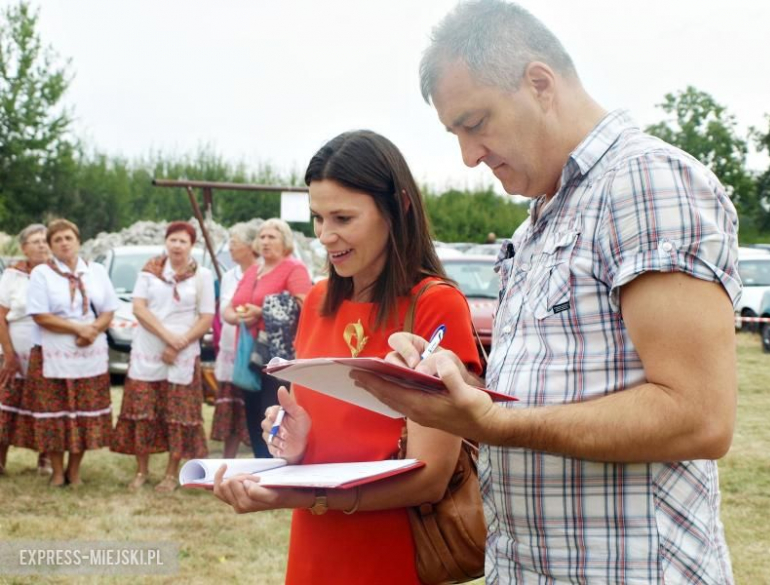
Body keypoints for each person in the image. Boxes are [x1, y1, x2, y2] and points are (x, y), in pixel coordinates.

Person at [353, 2, 741, 583]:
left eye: (475, 122)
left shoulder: (645, 180)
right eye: (456, 132)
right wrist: (453, 387)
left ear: (539, 83)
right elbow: (552, 388)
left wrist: (491, 423)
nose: (468, 156)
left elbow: (698, 417)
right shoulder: (539, 221)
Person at [212, 130, 482, 584]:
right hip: (314, 548)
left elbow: (430, 478)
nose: (324, 235)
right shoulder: (317, 301)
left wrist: (304, 497)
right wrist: (293, 445)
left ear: (398, 210)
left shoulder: (436, 305)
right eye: (317, 218)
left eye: (342, 218)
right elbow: (319, 435)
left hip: (392, 553)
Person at [111, 221, 215, 492]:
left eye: (183, 241)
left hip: (184, 350)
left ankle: (171, 473)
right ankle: (141, 470)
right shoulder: (150, 271)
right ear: (166, 242)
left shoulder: (201, 275)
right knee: (142, 409)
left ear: (192, 246)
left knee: (178, 413)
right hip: (149, 348)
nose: (177, 246)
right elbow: (139, 308)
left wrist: (180, 343)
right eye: (173, 240)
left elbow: (206, 317)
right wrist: (167, 337)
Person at [17, 219, 118, 487]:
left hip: (89, 354)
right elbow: (40, 314)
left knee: (84, 412)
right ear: (51, 246)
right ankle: (57, 470)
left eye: (68, 238)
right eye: (57, 240)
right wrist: (77, 329)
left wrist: (93, 329)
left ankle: (75, 470)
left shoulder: (95, 271)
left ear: (78, 240)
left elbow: (108, 309)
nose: (64, 243)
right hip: (53, 353)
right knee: (55, 413)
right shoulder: (42, 273)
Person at [222, 218, 311, 459]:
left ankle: (278, 466)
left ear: (285, 242)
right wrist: (238, 316)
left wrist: (261, 312)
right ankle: (261, 464)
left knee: (272, 411)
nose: (265, 241)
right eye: (261, 237)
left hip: (277, 356)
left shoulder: (294, 268)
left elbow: (305, 307)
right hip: (249, 352)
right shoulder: (253, 270)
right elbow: (231, 307)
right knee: (252, 412)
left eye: (272, 237)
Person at [0, 224, 51, 476]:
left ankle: (45, 459)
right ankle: (0, 460)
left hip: (49, 351)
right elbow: (1, 314)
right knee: (6, 403)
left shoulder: (58, 273)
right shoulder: (13, 274)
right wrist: (8, 354)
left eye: (45, 240)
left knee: (46, 403)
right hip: (15, 348)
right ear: (24, 248)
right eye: (35, 241)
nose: (42, 245)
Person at [210, 222, 257, 458]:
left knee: (251, 404)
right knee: (231, 406)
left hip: (253, 351)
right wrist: (234, 314)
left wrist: (237, 314)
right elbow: (223, 311)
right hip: (230, 348)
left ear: (250, 246)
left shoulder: (261, 271)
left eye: (234, 243)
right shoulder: (229, 276)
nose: (229, 248)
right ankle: (228, 458)